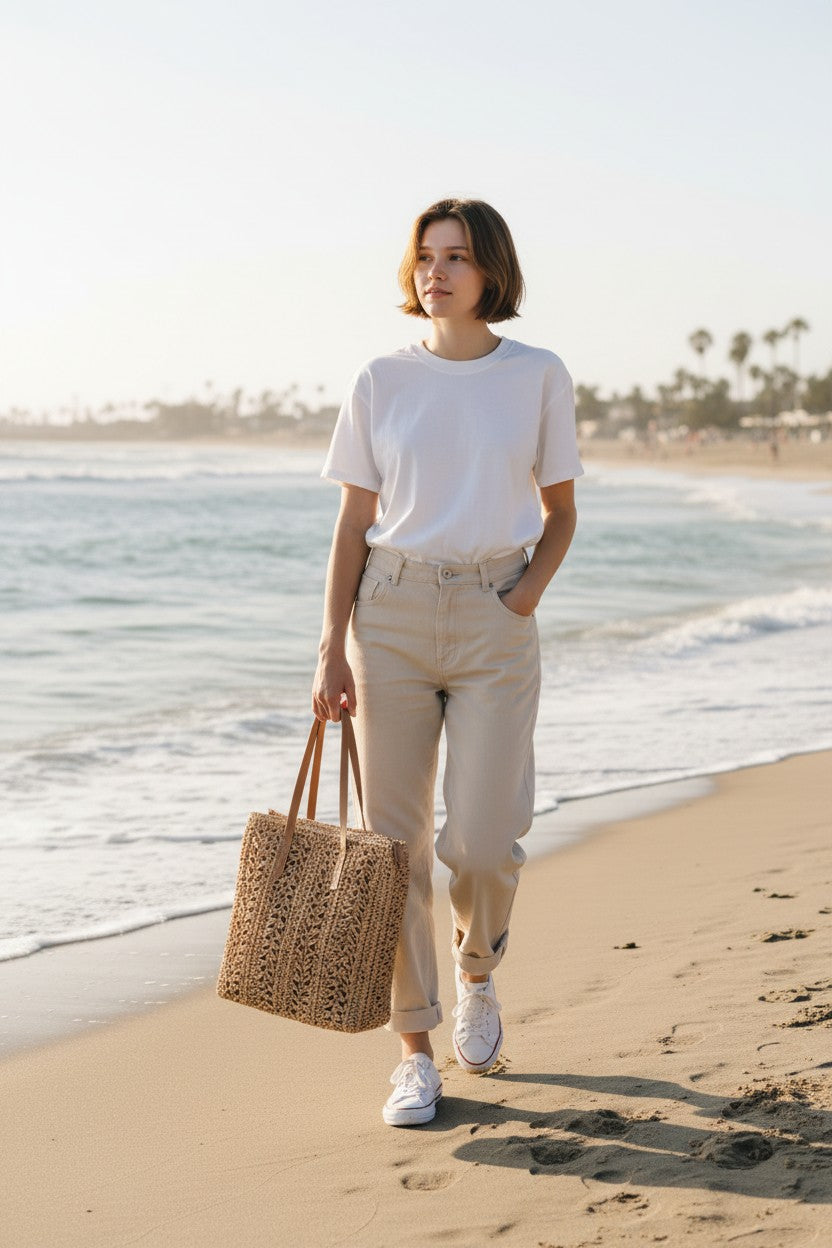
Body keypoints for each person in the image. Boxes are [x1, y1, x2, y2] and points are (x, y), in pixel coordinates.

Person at [313, 197, 583, 1127]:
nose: (436, 272)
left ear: (491, 273)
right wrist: (330, 651)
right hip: (385, 616)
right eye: (425, 256)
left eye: (457, 257)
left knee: (477, 839)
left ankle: (477, 974)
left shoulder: (537, 375)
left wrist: (519, 600)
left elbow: (561, 515)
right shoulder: (382, 379)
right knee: (393, 853)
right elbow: (352, 522)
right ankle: (414, 1051)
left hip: (493, 613)